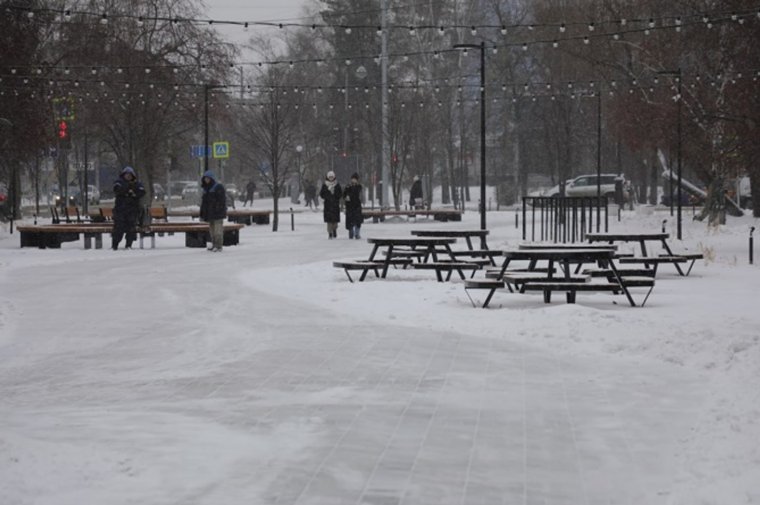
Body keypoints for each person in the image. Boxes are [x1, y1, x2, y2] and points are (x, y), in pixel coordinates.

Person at [111, 166, 145, 250]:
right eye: (127, 174)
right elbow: (117, 189)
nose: (128, 176)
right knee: (119, 227)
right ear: (123, 175)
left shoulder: (136, 183)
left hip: (132, 210)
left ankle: (128, 245)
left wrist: (134, 194)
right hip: (120, 210)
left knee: (131, 228)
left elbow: (142, 191)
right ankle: (115, 245)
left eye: (130, 175)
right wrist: (126, 192)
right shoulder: (119, 182)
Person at [199, 170, 227, 252]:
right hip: (210, 214)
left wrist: (218, 208)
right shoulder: (205, 189)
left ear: (211, 178)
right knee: (212, 231)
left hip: (217, 213)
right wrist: (202, 213)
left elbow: (222, 200)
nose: (206, 180)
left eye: (208, 178)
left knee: (218, 231)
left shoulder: (218, 187)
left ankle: (218, 246)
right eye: (205, 178)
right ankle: (214, 244)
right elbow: (204, 203)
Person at [319, 170, 342, 239]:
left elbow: (340, 193)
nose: (331, 178)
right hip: (328, 205)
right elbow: (321, 194)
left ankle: (334, 229)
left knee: (335, 221)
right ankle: (330, 233)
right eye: (330, 177)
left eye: (332, 177)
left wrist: (335, 195)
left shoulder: (337, 185)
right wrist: (327, 195)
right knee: (329, 221)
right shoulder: (325, 185)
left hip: (335, 205)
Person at [343, 172, 364, 240]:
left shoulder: (359, 187)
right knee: (350, 221)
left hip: (357, 206)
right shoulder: (348, 186)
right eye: (353, 179)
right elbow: (344, 195)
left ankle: (357, 234)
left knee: (357, 221)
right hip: (349, 206)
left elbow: (359, 194)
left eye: (355, 179)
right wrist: (346, 197)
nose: (353, 180)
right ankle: (351, 233)